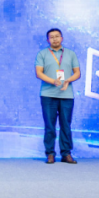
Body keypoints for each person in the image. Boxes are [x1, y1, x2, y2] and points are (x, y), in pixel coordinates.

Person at [35, 28, 81, 164]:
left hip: (66, 95)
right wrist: (52, 81)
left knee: (66, 125)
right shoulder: (42, 54)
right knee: (49, 125)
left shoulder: (71, 54)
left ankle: (66, 153)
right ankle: (50, 153)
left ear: (62, 38)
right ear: (47, 40)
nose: (55, 39)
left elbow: (77, 73)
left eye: (57, 36)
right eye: (51, 37)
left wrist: (68, 80)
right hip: (48, 94)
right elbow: (39, 73)